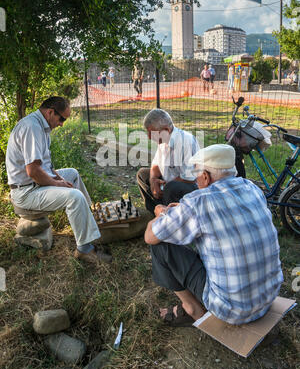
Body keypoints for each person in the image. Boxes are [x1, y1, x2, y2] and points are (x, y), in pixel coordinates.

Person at [144, 144, 283, 327]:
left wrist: (161, 214)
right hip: (267, 298)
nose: (196, 184)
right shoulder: (252, 188)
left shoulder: (197, 203)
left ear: (206, 177)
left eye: (197, 179)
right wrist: (183, 213)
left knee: (161, 245)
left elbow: (150, 236)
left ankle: (193, 309)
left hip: (231, 310)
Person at [6, 96, 111, 265]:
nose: (62, 124)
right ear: (50, 112)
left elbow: (45, 167)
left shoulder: (40, 126)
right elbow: (33, 171)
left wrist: (60, 178)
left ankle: (91, 222)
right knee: (74, 196)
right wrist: (58, 184)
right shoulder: (32, 127)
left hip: (34, 185)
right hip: (26, 193)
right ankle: (84, 250)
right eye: (62, 119)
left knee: (72, 174)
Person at [136, 109, 200, 215]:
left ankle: (168, 218)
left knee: (172, 188)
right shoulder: (163, 139)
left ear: (166, 129)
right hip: (170, 183)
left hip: (189, 187)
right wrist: (153, 181)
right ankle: (156, 212)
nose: (149, 137)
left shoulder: (185, 142)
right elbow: (155, 165)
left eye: (152, 133)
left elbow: (190, 178)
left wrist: (164, 186)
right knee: (142, 174)